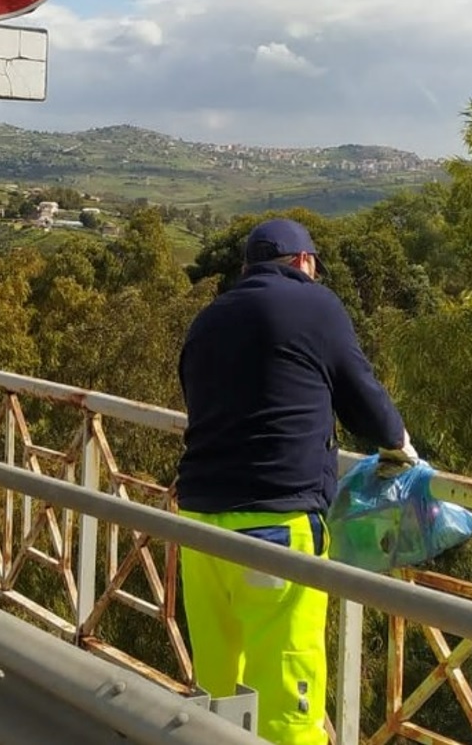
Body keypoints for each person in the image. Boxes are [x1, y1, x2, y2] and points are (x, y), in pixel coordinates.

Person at [174, 217, 418, 745]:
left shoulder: (209, 318)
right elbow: (362, 395)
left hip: (198, 523)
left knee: (216, 687)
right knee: (287, 694)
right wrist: (398, 443)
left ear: (248, 268)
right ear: (305, 263)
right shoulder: (314, 304)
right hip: (277, 525)